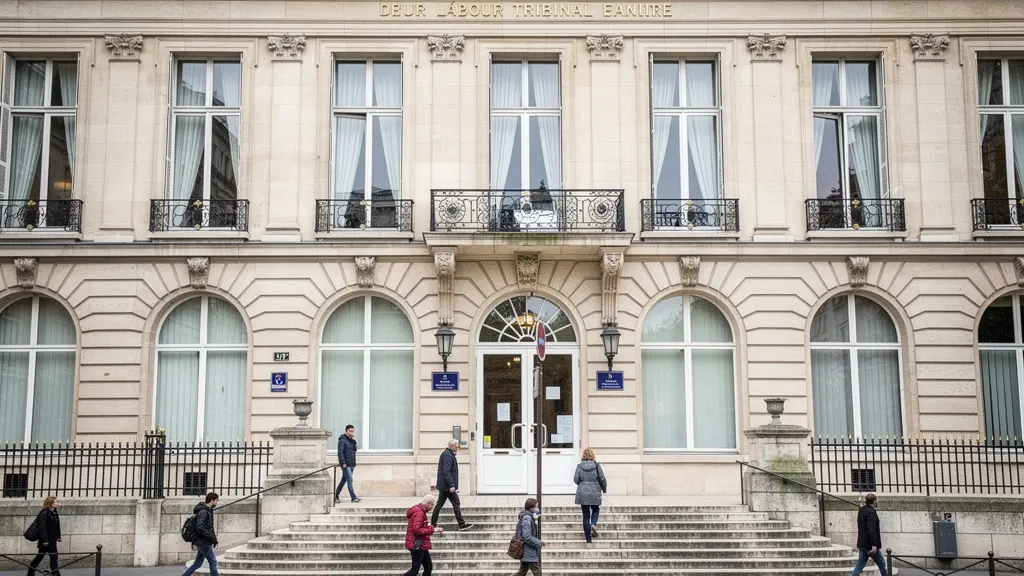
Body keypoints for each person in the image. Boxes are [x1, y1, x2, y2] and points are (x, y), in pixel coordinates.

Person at [430, 439, 473, 530]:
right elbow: (446, 471)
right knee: (456, 502)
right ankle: (461, 524)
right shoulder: (448, 455)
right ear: (453, 446)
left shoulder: (448, 454)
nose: (458, 448)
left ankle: (433, 524)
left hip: (445, 486)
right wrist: (451, 485)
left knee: (440, 504)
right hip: (447, 486)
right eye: (457, 447)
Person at [402, 493, 443, 576]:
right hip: (417, 544)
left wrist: (428, 526)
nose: (432, 508)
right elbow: (417, 530)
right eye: (432, 505)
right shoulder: (419, 513)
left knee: (428, 567)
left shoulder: (419, 511)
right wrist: (433, 529)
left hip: (420, 543)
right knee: (414, 570)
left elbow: (418, 526)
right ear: (428, 504)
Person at [573, 447, 607, 543]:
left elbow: (575, 480)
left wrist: (582, 482)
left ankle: (588, 539)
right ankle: (593, 523)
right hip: (594, 491)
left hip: (582, 493)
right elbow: (602, 478)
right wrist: (604, 489)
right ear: (593, 455)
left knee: (585, 516)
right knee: (596, 509)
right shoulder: (596, 466)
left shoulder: (579, 466)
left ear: (583, 456)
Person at [183, 492, 220, 576]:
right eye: (216, 500)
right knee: (213, 562)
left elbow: (207, 527)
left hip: (202, 541)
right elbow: (199, 527)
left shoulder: (207, 511)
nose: (217, 503)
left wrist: (214, 540)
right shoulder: (204, 512)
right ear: (212, 500)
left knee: (197, 563)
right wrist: (212, 538)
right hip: (204, 542)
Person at [852, 493, 889, 576]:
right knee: (882, 564)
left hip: (862, 543)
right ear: (874, 501)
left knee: (859, 566)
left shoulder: (862, 510)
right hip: (870, 545)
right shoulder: (871, 512)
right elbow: (871, 529)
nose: (877, 502)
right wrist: (874, 544)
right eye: (877, 500)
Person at [27, 496, 61, 576]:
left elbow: (57, 526)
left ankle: (54, 573)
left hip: (52, 539)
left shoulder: (54, 512)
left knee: (51, 557)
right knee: (43, 557)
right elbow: (42, 528)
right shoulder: (44, 513)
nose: (57, 503)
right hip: (45, 541)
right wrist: (45, 541)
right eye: (56, 502)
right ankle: (55, 574)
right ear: (51, 503)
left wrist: (58, 536)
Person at [512, 498, 544, 576]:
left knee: (522, 572)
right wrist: (539, 542)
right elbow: (527, 536)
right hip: (528, 550)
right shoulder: (527, 518)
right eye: (536, 507)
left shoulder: (529, 517)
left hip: (527, 550)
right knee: (537, 572)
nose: (537, 509)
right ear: (531, 509)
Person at [335, 424, 361, 503]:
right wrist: (343, 463)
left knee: (344, 480)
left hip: (352, 463)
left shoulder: (352, 441)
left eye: (353, 431)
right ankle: (353, 497)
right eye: (350, 431)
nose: (352, 432)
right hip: (345, 464)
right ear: (346, 431)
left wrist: (353, 441)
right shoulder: (342, 440)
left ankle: (335, 496)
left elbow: (354, 450)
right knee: (350, 479)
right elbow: (340, 453)